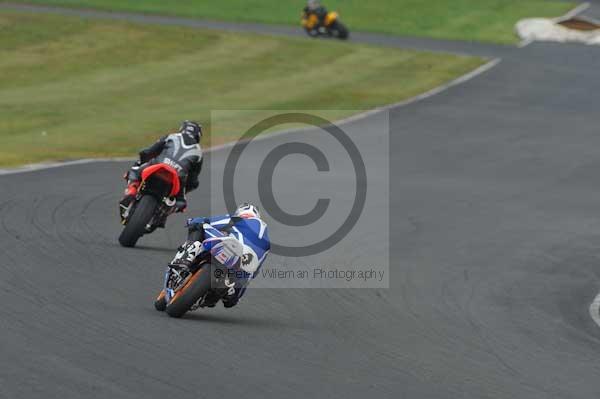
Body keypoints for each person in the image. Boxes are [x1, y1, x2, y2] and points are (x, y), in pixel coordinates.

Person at [177, 203, 270, 308]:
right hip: (243, 267)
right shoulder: (266, 241)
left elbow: (208, 221)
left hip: (233, 250)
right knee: (231, 300)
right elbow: (253, 272)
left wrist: (192, 221)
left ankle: (187, 257)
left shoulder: (239, 219)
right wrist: (236, 296)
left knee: (199, 224)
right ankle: (226, 291)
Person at [119, 121, 203, 219]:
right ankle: (167, 208)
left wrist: (141, 161)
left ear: (182, 129)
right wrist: (184, 191)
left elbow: (148, 152)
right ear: (198, 136)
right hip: (178, 176)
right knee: (181, 203)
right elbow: (193, 181)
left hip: (158, 165)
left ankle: (132, 191)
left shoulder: (172, 136)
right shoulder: (199, 152)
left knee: (134, 171)